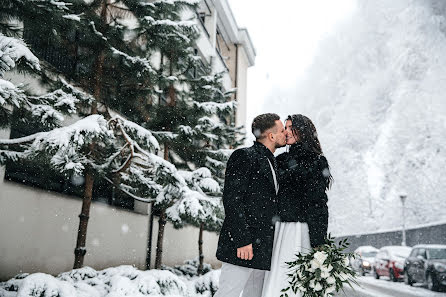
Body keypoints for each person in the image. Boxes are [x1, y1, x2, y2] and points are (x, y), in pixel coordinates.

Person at [214, 113, 287, 297]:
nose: (285, 133)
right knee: (227, 294)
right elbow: (232, 200)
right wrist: (243, 240)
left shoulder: (274, 163)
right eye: (282, 130)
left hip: (262, 249)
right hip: (242, 247)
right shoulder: (244, 156)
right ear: (271, 136)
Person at [262, 114, 333, 297]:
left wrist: (319, 242)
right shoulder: (279, 160)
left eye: (291, 127)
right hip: (279, 230)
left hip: (300, 231)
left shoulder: (316, 161)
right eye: (285, 127)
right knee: (279, 282)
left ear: (303, 131)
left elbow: (318, 203)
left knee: (295, 283)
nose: (286, 132)